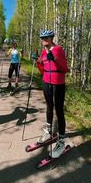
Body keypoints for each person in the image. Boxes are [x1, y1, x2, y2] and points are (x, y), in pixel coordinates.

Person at [34, 30, 68, 158]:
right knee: (49, 106)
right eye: (42, 37)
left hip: (58, 83)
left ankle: (61, 140)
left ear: (51, 38)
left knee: (59, 109)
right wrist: (38, 62)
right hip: (46, 82)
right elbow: (43, 70)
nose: (43, 39)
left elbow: (65, 68)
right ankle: (48, 131)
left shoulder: (58, 49)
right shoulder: (43, 51)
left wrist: (54, 60)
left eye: (46, 37)